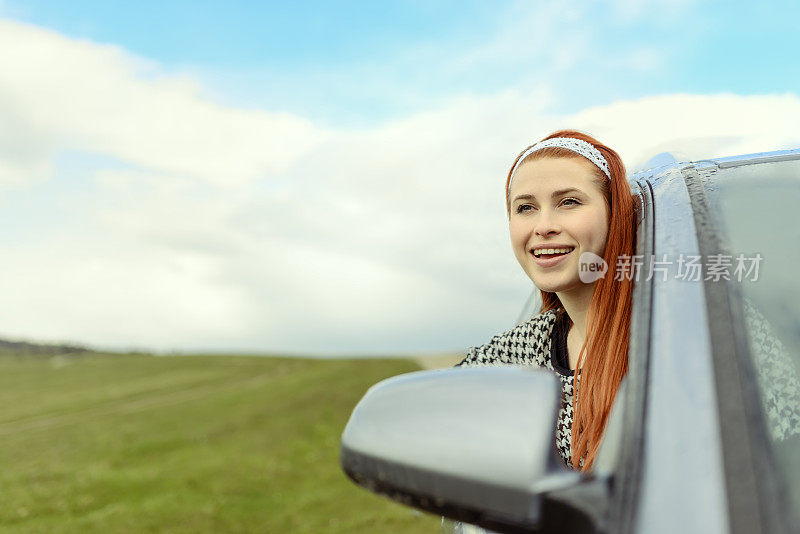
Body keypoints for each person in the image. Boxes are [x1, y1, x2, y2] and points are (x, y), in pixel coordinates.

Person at [456, 130, 637, 472]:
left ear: (617, 214)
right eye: (525, 208)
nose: (544, 226)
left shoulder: (691, 326)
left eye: (569, 202)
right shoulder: (525, 349)